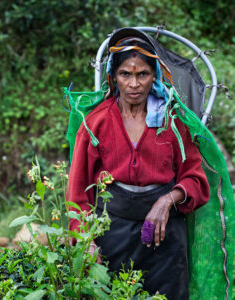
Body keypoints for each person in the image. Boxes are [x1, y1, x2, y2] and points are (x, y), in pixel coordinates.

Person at [67, 28, 210, 300]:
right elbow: (77, 195)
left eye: (142, 74)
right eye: (126, 74)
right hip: (112, 235)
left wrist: (167, 200)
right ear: (114, 77)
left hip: (166, 240)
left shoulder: (173, 122)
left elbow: (196, 180)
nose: (134, 84)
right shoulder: (95, 123)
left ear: (154, 75)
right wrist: (85, 243)